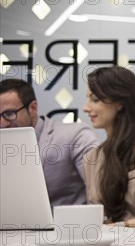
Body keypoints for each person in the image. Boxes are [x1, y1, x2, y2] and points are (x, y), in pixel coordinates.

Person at [82, 66, 135, 228]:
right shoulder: (91, 158)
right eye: (87, 99)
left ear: (120, 103)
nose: (86, 107)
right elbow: (95, 216)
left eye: (95, 100)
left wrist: (125, 226)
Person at [0, 78, 97, 207]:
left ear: (33, 108)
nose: (2, 123)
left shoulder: (74, 136)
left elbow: (101, 193)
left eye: (9, 113)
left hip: (69, 225)